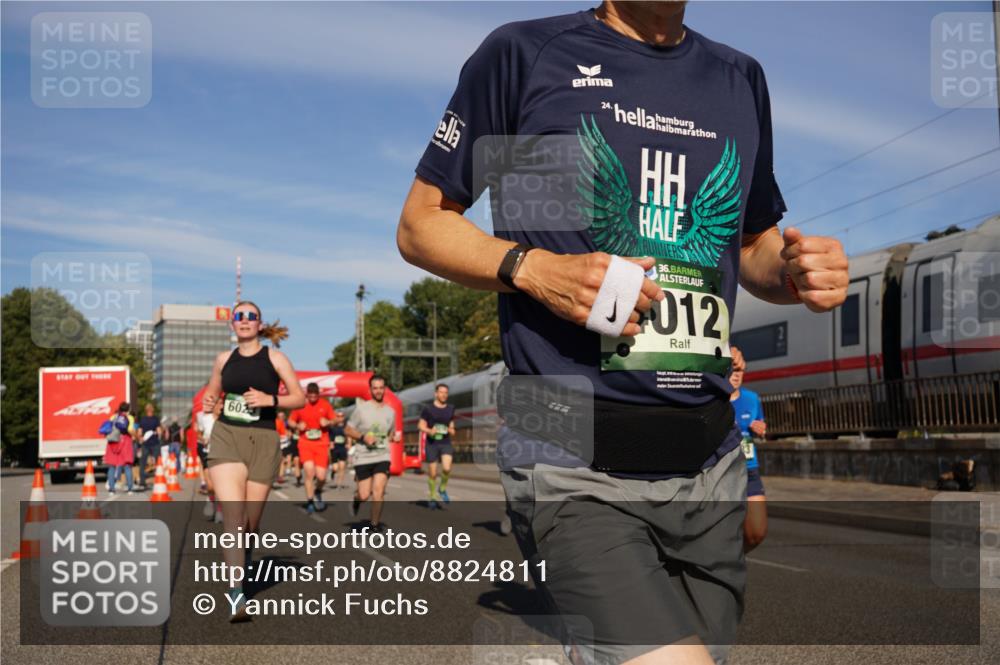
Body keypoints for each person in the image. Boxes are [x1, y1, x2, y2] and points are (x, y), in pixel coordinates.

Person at [397, 2, 849, 662]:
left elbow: (753, 244)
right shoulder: (525, 55)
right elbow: (421, 224)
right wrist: (536, 269)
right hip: (571, 453)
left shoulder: (739, 78)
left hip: (709, 460)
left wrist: (795, 270)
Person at [203, 301, 304, 621]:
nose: (244, 320)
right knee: (233, 518)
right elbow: (211, 394)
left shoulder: (275, 358)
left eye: (251, 316)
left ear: (260, 325)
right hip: (227, 437)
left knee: (250, 524)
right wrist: (209, 401)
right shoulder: (223, 360)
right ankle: (237, 593)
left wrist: (269, 399)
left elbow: (299, 397)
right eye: (239, 316)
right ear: (232, 324)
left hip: (263, 440)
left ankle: (244, 555)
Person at [343, 374, 400, 532]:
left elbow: (389, 434)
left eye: (381, 388)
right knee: (364, 495)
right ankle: (356, 500)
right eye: (375, 388)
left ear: (385, 389)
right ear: (370, 390)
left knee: (379, 491)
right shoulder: (361, 409)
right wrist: (363, 437)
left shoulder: (390, 412)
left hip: (382, 455)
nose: (378, 391)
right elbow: (347, 430)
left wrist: (393, 438)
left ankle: (374, 525)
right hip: (363, 456)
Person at [729, 346, 767, 551]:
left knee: (757, 532)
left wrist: (760, 429)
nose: (736, 376)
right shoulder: (713, 401)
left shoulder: (752, 398)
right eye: (732, 371)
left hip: (749, 469)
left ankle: (732, 559)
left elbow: (760, 424)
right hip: (722, 472)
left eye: (740, 371)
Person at [289, 383, 335, 512]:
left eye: (315, 395)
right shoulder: (301, 405)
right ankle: (310, 502)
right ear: (307, 394)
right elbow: (291, 421)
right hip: (305, 443)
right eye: (311, 395)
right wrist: (297, 426)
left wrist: (328, 422)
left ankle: (318, 491)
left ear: (318, 394)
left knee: (321, 477)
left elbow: (335, 420)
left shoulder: (325, 405)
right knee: (309, 472)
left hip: (321, 444)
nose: (313, 397)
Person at [418, 383, 456, 508]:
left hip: (445, 442)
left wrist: (451, 430)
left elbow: (451, 425)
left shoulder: (450, 408)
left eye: (446, 393)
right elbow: (420, 425)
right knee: (433, 473)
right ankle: (433, 496)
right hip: (432, 444)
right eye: (441, 392)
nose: (444, 395)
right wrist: (429, 431)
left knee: (447, 468)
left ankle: (442, 488)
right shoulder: (428, 409)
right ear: (436, 394)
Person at [103, 401, 134, 495]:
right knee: (127, 466)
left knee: (112, 466)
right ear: (128, 410)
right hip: (125, 442)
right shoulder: (129, 418)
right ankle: (130, 489)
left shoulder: (113, 417)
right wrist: (135, 435)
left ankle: (111, 489)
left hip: (113, 443)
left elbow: (108, 429)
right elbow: (130, 430)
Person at [135, 403, 164, 491]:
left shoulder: (143, 420)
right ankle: (159, 480)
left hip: (145, 444)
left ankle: (142, 482)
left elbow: (139, 432)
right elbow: (159, 431)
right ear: (152, 410)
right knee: (158, 462)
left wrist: (140, 439)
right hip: (155, 443)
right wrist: (159, 434)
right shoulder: (156, 419)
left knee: (143, 463)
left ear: (146, 410)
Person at [327, 411, 349, 489]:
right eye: (338, 416)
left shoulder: (346, 427)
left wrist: (349, 444)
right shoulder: (332, 427)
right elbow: (329, 437)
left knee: (342, 467)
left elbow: (349, 436)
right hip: (335, 448)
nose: (340, 418)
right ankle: (332, 472)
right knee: (335, 468)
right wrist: (330, 444)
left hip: (343, 448)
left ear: (344, 417)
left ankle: (339, 484)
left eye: (341, 416)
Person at [275, 410, 291, 487]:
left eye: (282, 416)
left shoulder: (283, 423)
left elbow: (283, 433)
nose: (281, 417)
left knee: (282, 459)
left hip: (281, 443)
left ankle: (280, 476)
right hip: (271, 442)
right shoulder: (273, 422)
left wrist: (287, 435)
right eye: (279, 416)